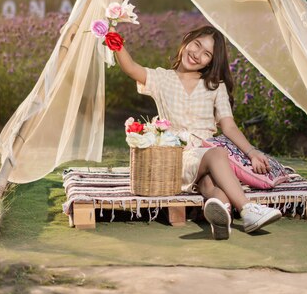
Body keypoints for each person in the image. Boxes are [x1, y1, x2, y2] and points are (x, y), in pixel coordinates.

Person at [115, 25, 282, 240]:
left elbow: (228, 126)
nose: (197, 55)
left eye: (207, 54)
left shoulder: (215, 85)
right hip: (177, 157)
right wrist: (114, 39)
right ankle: (248, 210)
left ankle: (222, 218)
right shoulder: (162, 78)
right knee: (218, 153)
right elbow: (130, 67)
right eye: (197, 45)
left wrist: (252, 152)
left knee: (211, 186)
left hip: (206, 157)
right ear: (187, 40)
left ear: (211, 62)